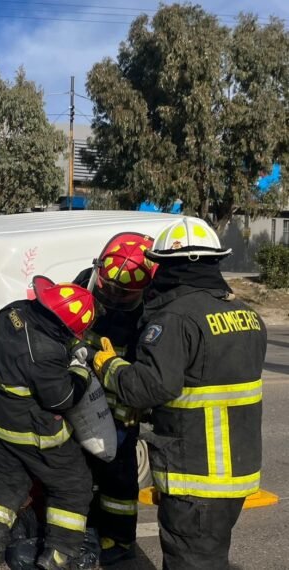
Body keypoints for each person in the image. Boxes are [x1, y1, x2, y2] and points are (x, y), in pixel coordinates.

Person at [92, 217, 267, 570]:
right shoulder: (246, 315)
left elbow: (150, 387)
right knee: (211, 555)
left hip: (196, 475)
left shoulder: (174, 319)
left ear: (165, 266)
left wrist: (109, 365)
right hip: (236, 472)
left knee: (191, 560)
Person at [0, 276, 96, 570]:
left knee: (5, 483)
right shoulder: (43, 352)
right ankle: (59, 555)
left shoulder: (10, 314)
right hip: (31, 433)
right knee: (74, 486)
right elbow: (61, 399)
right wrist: (80, 371)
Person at [72, 232, 156, 565]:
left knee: (119, 481)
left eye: (125, 294)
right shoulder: (86, 283)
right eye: (109, 288)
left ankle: (120, 540)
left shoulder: (149, 313)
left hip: (121, 411)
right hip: (79, 399)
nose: (115, 297)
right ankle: (87, 529)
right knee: (80, 473)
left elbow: (145, 371)